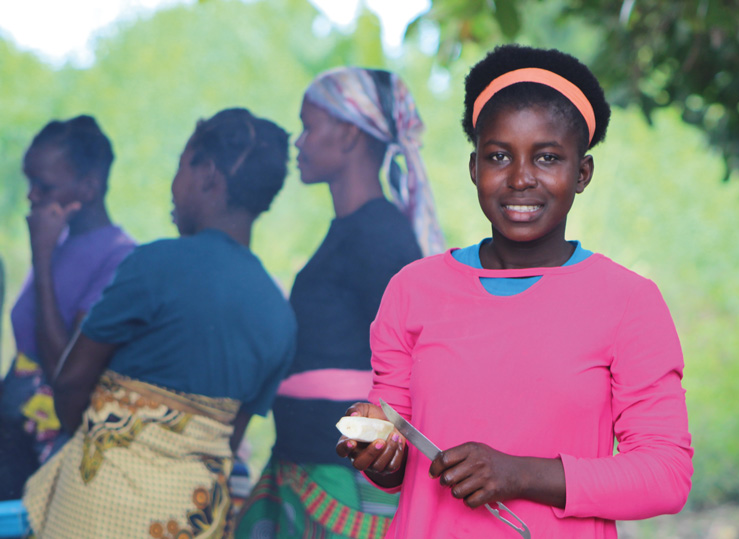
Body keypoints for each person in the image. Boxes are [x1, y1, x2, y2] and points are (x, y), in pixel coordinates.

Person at [337, 45, 694, 538]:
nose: (521, 178)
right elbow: (398, 464)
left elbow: (665, 475)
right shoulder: (413, 290)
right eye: (499, 156)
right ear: (474, 168)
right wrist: (376, 452)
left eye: (547, 158)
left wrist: (520, 474)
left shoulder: (628, 302)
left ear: (582, 173)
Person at [22, 108, 297, 538]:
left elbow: (71, 382)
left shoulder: (153, 263)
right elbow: (229, 439)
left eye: (181, 166)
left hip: (95, 512)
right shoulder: (280, 315)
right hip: (186, 521)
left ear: (207, 175)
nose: (174, 185)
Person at [234, 67, 444, 539]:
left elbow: (414, 363)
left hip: (347, 477)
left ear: (349, 134)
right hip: (310, 463)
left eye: (308, 127)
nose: (299, 141)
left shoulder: (380, 237)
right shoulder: (356, 231)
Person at [0, 116, 136, 501]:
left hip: (48, 454)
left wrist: (42, 258)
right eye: (29, 183)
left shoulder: (119, 258)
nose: (32, 196)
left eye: (44, 186)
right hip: (12, 437)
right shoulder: (58, 244)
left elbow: (64, 367)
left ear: (88, 187)